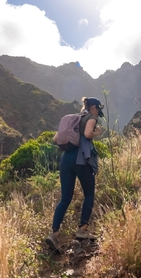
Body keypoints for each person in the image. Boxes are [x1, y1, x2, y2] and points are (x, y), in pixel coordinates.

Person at [46, 97, 104, 251]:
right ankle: (82, 230)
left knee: (65, 198)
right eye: (98, 110)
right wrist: (96, 132)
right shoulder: (90, 118)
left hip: (66, 160)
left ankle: (54, 233)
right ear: (93, 108)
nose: (98, 114)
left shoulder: (72, 119)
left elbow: (56, 138)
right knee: (89, 194)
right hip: (81, 159)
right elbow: (87, 133)